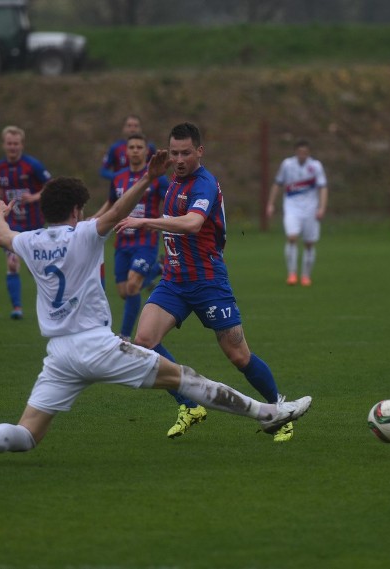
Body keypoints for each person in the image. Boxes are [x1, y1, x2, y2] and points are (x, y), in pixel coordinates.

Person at [0, 155, 311, 469]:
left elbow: (1, 235)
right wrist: (148, 179)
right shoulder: (83, 233)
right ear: (77, 209)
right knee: (186, 378)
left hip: (59, 357)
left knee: (29, 434)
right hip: (98, 346)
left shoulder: (29, 241)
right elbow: (116, 212)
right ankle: (269, 413)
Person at [116, 122, 298, 442]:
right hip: (174, 281)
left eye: (186, 152)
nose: (180, 159)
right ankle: (189, 405)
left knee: (239, 356)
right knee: (144, 339)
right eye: (174, 153)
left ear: (199, 151)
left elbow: (192, 223)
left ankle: (279, 411)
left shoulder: (204, 184)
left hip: (208, 281)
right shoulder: (172, 183)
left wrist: (147, 222)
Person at [91, 133, 166, 341]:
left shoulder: (157, 177)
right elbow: (111, 204)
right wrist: (94, 219)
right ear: (126, 151)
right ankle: (159, 268)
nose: (135, 150)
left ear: (146, 151)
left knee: (133, 285)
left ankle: (124, 337)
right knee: (125, 292)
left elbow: (171, 202)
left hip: (146, 241)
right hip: (122, 240)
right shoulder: (118, 177)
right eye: (131, 147)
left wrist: (160, 220)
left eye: (139, 147)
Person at [0, 125, 52, 320]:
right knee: (12, 262)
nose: (13, 147)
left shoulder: (32, 165)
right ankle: (17, 307)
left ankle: (51, 304)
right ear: (4, 145)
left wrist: (34, 197)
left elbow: (51, 186)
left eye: (16, 144)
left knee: (36, 268)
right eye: (9, 143)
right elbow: (0, 188)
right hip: (12, 225)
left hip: (34, 225)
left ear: (22, 145)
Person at [266, 139, 329, 286]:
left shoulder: (315, 166)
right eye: (300, 152)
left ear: (309, 153)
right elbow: (277, 183)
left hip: (310, 208)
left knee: (309, 243)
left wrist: (322, 208)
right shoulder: (287, 165)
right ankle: (292, 274)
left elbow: (323, 187)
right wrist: (270, 204)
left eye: (305, 153)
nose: (302, 155)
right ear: (295, 152)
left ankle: (306, 276)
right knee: (292, 237)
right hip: (292, 207)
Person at [99, 114, 157, 181]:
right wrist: (117, 177)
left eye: (136, 126)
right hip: (122, 187)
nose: (132, 129)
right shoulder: (116, 147)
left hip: (143, 184)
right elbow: (103, 170)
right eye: (129, 126)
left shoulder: (149, 147)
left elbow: (155, 167)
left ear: (140, 128)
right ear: (124, 128)